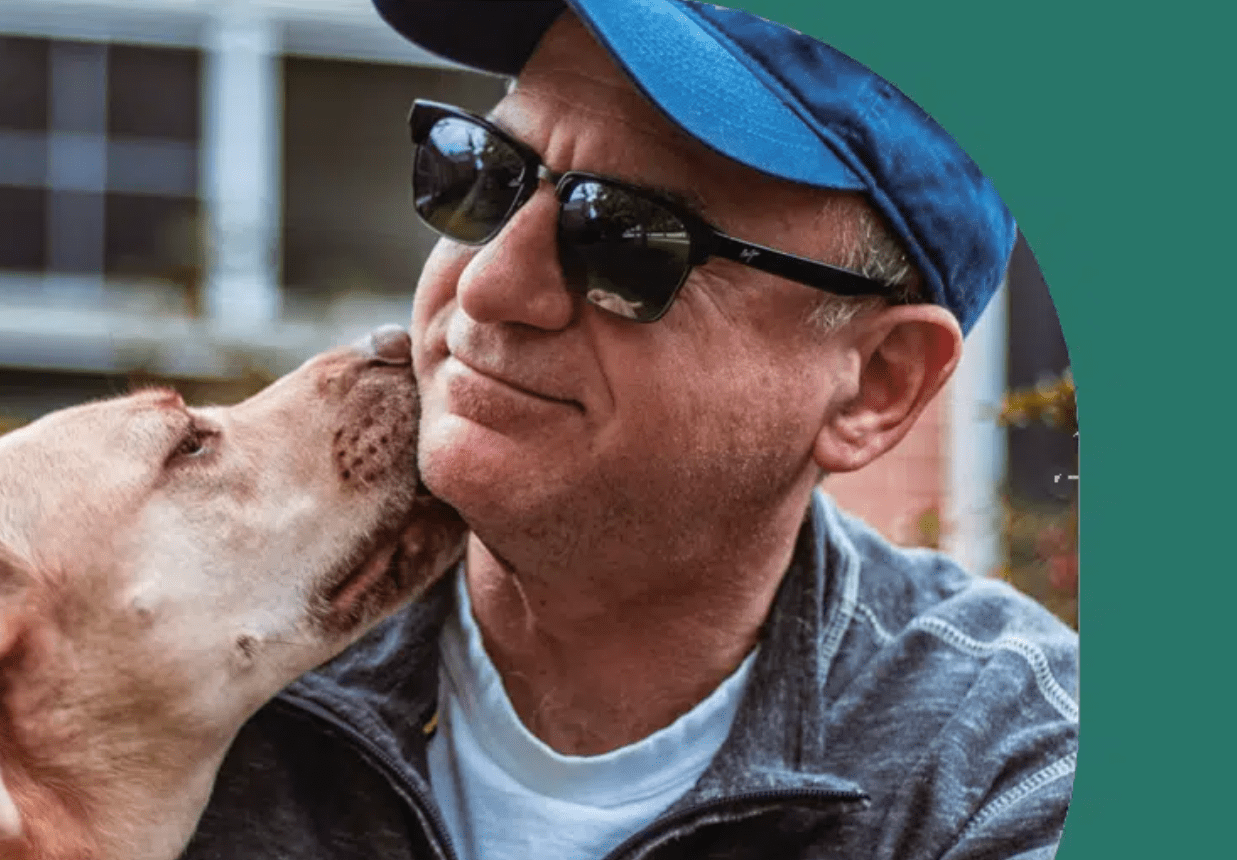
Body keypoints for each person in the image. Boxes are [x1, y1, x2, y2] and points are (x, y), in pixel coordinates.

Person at [180, 2, 1078, 859]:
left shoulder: (1008, 773)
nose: (491, 287)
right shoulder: (183, 630)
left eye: (625, 238)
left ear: (875, 386)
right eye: (484, 174)